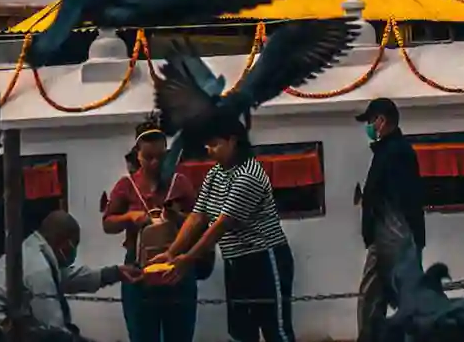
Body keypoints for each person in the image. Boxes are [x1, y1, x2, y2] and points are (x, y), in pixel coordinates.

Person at [155, 119, 293, 342]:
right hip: (235, 260)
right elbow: (198, 216)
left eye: (214, 144)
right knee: (241, 332)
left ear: (232, 141)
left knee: (276, 330)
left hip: (265, 259)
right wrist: (172, 252)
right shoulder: (215, 173)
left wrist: (188, 259)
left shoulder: (248, 175)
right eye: (206, 145)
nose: (208, 150)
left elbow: (221, 224)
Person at [103, 130, 198, 342]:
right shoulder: (126, 186)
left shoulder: (180, 182)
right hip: (139, 271)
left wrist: (177, 217)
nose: (155, 163)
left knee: (180, 336)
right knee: (142, 336)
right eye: (148, 157)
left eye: (161, 157)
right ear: (137, 154)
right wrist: (129, 216)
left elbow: (198, 221)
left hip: (177, 271)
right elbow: (107, 224)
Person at [356, 99, 425, 342]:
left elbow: (399, 201)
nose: (368, 127)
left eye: (369, 121)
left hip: (390, 239)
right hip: (390, 238)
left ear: (381, 121)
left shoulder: (396, 153)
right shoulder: (389, 150)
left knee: (373, 297)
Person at [20, 209, 135, 337]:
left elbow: (70, 278)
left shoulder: (33, 249)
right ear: (63, 241)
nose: (74, 251)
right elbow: (55, 332)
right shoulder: (39, 270)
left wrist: (114, 273)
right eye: (74, 244)